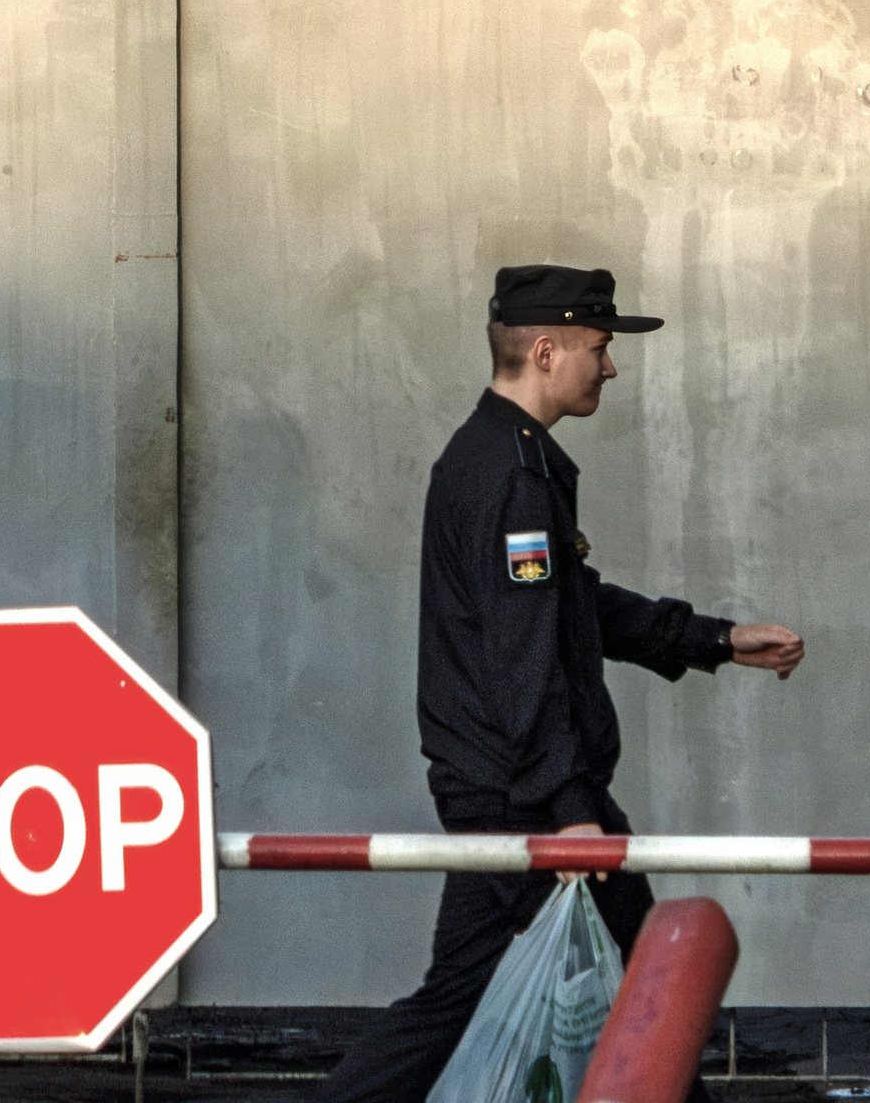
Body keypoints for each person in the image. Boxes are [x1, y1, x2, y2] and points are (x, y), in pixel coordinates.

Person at [316, 263, 807, 1103]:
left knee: (584, 989)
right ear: (546, 351)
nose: (610, 367)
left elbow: (571, 608)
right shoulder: (510, 476)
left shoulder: (503, 460)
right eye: (599, 347)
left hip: (519, 785)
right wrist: (570, 808)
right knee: (612, 994)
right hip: (527, 796)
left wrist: (717, 640)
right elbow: (525, 656)